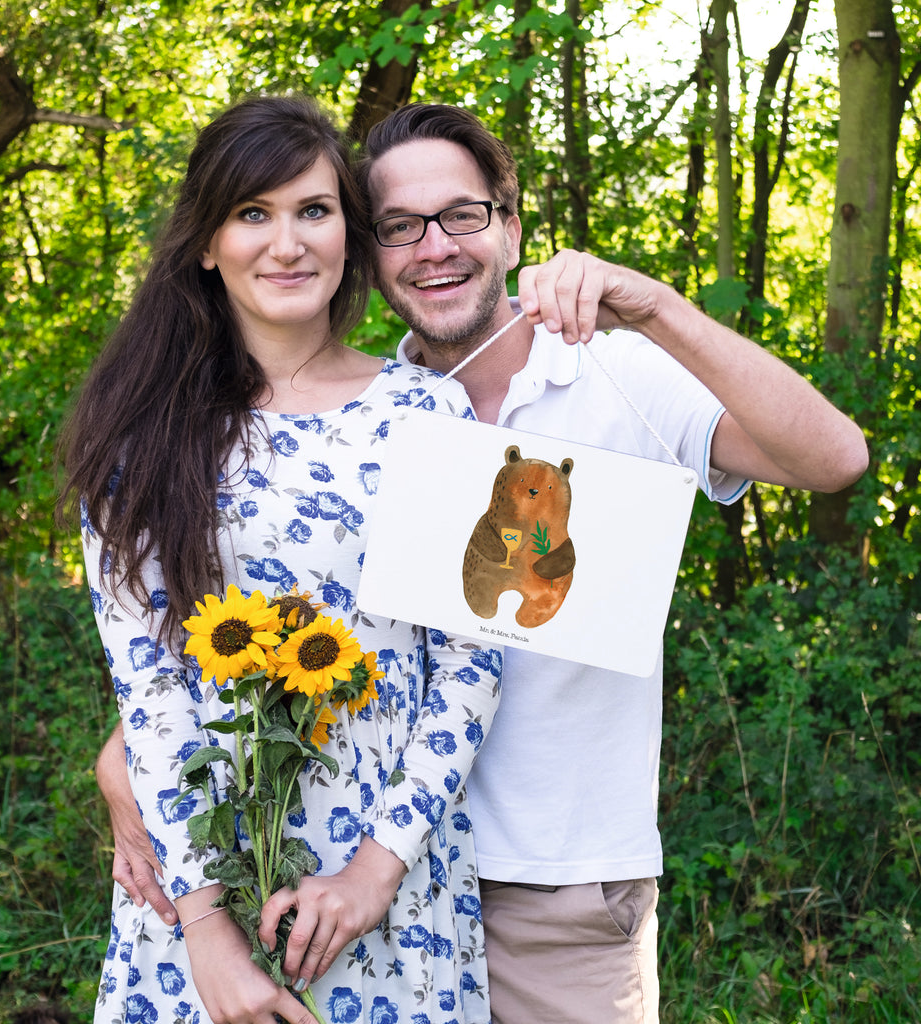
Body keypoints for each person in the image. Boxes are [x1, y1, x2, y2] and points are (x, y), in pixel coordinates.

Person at [99, 102, 869, 1024]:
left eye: (462, 215)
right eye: (399, 226)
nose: (434, 247)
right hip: (316, 875)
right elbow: (226, 635)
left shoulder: (607, 373)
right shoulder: (351, 417)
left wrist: (656, 306)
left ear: (509, 225)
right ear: (371, 250)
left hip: (547, 887)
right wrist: (132, 771)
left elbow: (834, 461)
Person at [60, 96, 504, 1024]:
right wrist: (208, 937)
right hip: (198, 887)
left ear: (349, 230)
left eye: (314, 210)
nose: (287, 243)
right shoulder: (142, 437)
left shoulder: (428, 416)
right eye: (252, 214)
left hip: (389, 887)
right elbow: (151, 691)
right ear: (206, 244)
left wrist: (375, 873)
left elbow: (471, 661)